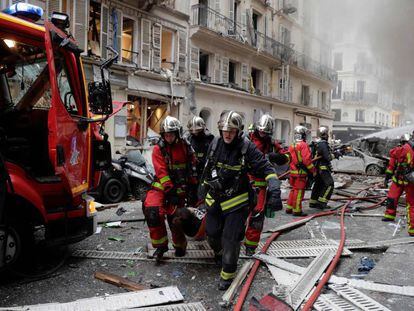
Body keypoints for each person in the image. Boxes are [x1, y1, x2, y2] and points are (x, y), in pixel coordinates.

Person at [199, 110, 283, 290]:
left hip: (237, 201)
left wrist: (275, 190)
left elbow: (267, 169)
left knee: (231, 237)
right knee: (212, 233)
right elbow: (207, 168)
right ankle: (221, 252)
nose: (227, 134)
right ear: (220, 129)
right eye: (224, 130)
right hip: (215, 199)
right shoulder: (214, 144)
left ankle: (227, 274)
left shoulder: (247, 147)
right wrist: (201, 190)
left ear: (239, 131)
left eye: (232, 130)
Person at [143, 116, 198, 261]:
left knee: (176, 218)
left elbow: (192, 167)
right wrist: (170, 191)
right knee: (152, 211)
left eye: (171, 134)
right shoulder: (158, 149)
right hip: (162, 187)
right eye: (166, 135)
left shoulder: (186, 147)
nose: (168, 137)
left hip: (180, 188)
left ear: (177, 134)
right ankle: (160, 246)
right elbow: (161, 172)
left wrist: (193, 188)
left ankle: (180, 245)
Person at [244, 114, 286, 256]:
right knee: (237, 213)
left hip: (261, 185)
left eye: (265, 132)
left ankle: (250, 247)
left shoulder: (271, 143)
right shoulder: (247, 140)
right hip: (245, 182)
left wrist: (277, 157)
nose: (262, 134)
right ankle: (232, 241)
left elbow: (286, 156)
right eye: (261, 131)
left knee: (257, 216)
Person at [382, 133, 414, 236]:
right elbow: (392, 165)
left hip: (407, 180)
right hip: (402, 179)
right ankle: (389, 215)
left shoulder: (405, 148)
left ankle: (412, 229)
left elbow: (393, 154)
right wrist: (388, 176)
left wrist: (387, 177)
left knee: (410, 204)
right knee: (393, 197)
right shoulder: (408, 147)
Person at [286, 125, 315, 216]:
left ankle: (289, 208)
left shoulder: (291, 145)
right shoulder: (303, 145)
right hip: (301, 173)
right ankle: (297, 210)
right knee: (299, 192)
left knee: (293, 190)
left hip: (293, 172)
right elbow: (307, 160)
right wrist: (313, 170)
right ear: (303, 135)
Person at [309, 126, 341, 209]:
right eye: (327, 134)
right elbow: (328, 157)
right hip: (323, 168)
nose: (328, 136)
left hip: (316, 167)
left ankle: (313, 202)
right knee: (329, 184)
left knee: (318, 184)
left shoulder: (315, 142)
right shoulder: (323, 143)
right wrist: (336, 154)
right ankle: (322, 203)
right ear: (324, 135)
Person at [186, 116, 214, 183]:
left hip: (205, 172)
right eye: (193, 131)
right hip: (191, 173)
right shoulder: (188, 139)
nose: (195, 133)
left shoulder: (210, 139)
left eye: (198, 131)